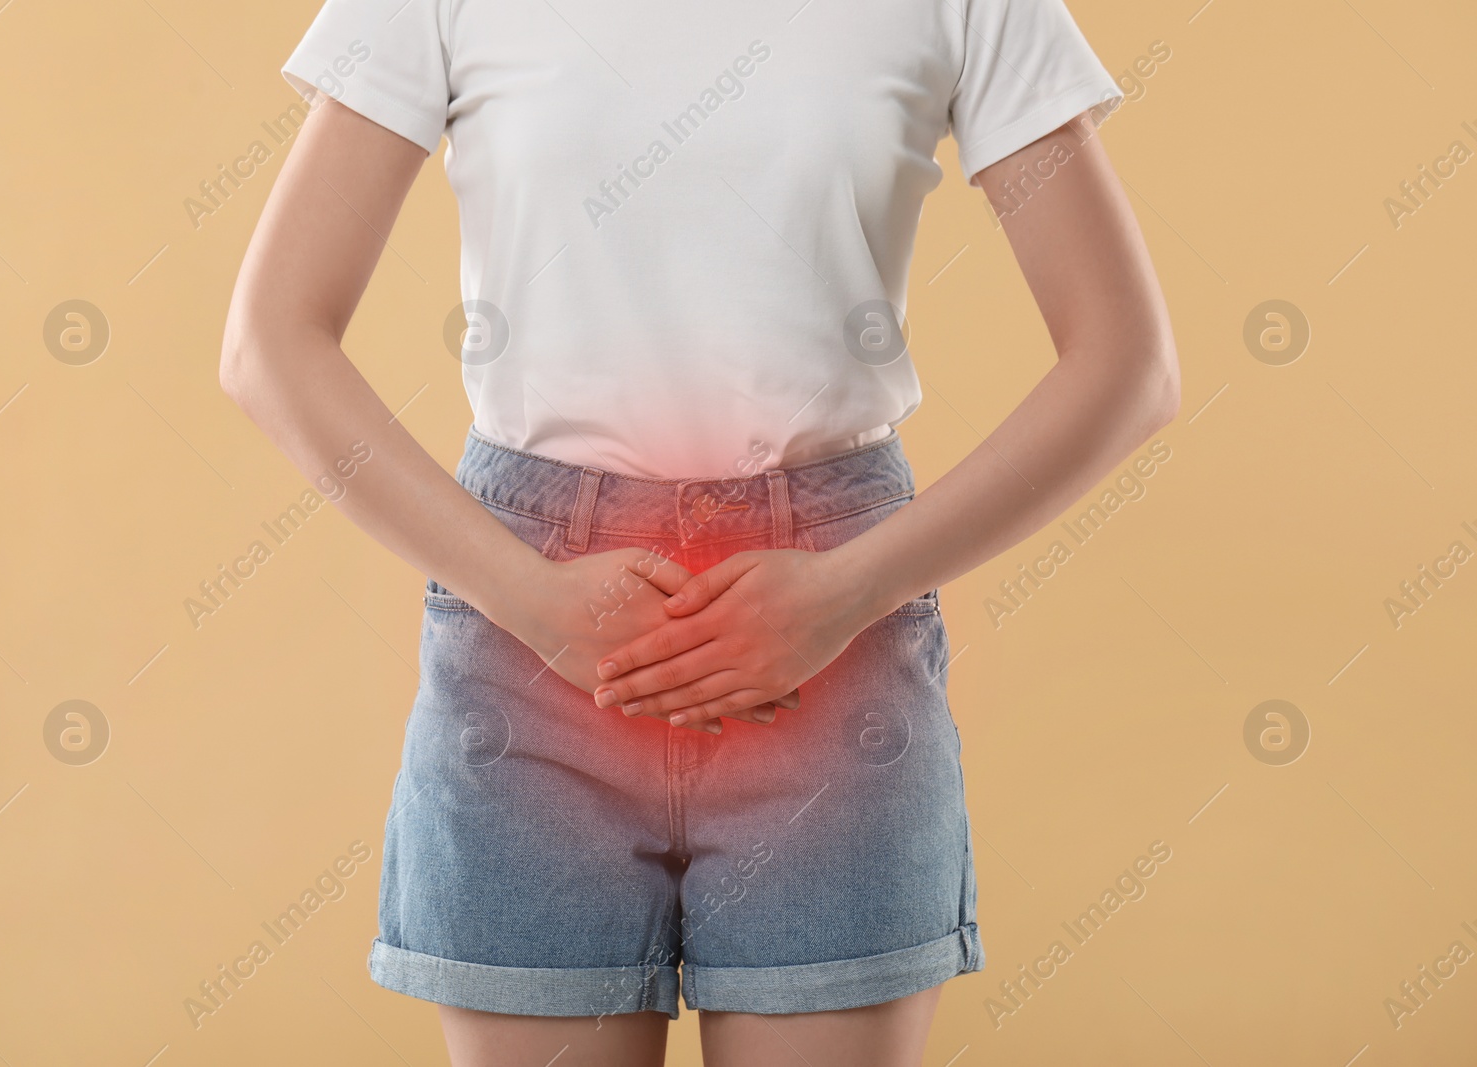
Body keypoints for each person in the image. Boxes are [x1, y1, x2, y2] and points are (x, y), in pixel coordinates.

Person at [220, 0, 1179, 1063]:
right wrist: (534, 599)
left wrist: (849, 590)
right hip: (528, 647)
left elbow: (1125, 363)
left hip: (829, 644)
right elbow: (271, 343)